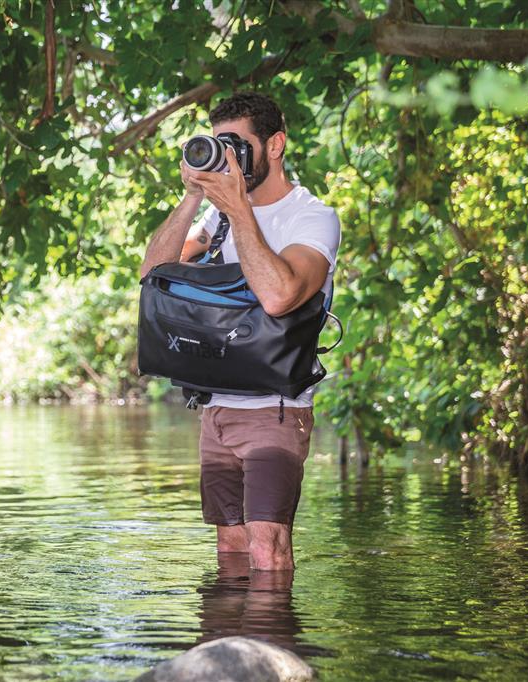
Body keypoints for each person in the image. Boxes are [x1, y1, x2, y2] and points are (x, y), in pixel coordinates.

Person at [139, 92, 341, 571]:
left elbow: (279, 296)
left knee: (266, 549)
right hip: (216, 407)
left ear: (275, 145)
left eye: (238, 144)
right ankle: (226, 642)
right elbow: (153, 274)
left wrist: (238, 208)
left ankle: (273, 641)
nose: (227, 156)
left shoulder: (311, 217)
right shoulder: (217, 216)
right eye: (219, 143)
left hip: (274, 409)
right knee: (229, 549)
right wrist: (194, 196)